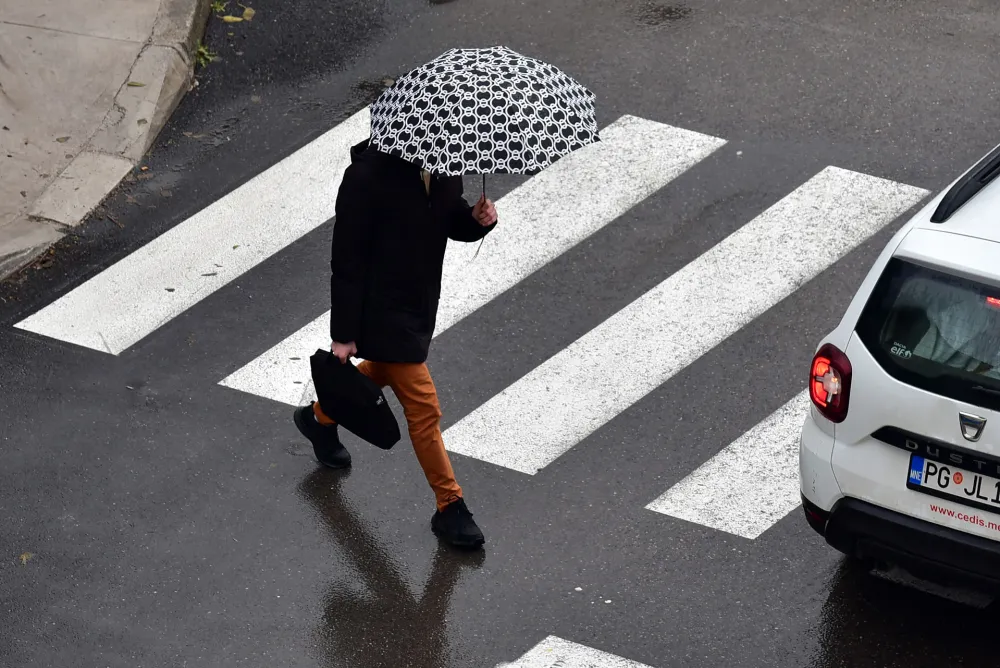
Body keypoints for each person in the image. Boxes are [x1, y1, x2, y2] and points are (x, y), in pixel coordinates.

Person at [293, 138, 498, 549]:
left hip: (417, 306)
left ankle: (319, 418)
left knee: (388, 370)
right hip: (379, 310)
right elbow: (346, 260)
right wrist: (343, 334)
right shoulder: (366, 177)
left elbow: (448, 218)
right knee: (424, 407)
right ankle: (450, 505)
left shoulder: (443, 163)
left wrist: (477, 221)